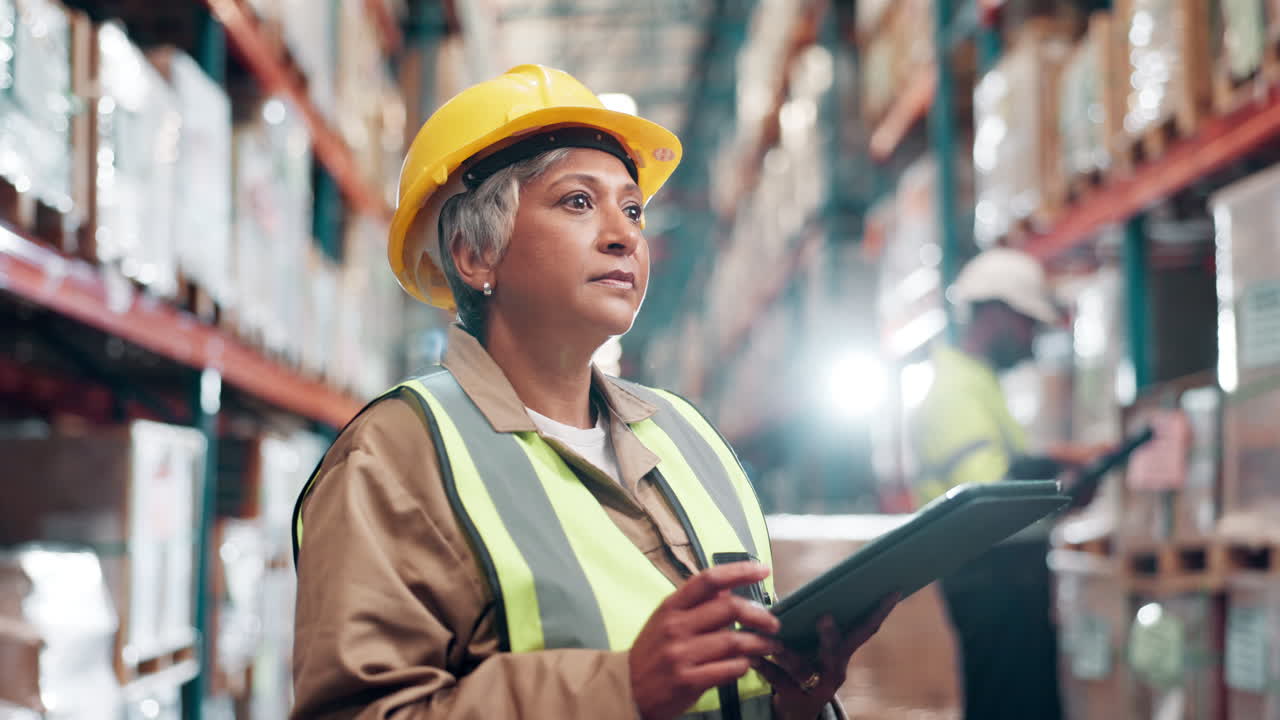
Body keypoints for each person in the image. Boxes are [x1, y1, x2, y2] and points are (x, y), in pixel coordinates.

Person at [289, 64, 897, 720]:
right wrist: (620, 690)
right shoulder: (396, 459)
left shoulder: (688, 439)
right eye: (578, 201)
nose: (625, 235)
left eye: (632, 209)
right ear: (473, 254)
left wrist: (795, 702)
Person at [908, 247, 1104, 720]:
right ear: (994, 314)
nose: (1033, 337)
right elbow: (993, 496)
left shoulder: (978, 385)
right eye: (1027, 322)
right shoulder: (954, 392)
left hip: (1008, 587)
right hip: (991, 590)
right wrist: (1060, 485)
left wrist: (1064, 489)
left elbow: (1007, 477)